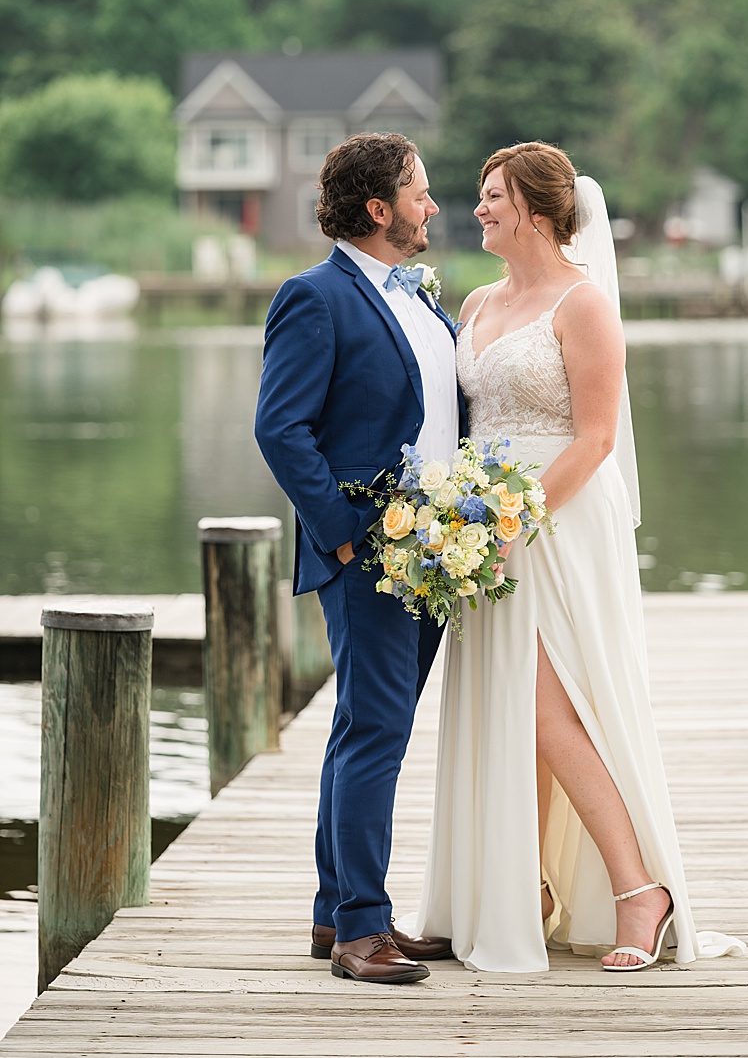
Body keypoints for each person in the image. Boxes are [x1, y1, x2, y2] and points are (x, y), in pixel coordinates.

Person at [411, 141, 743, 972]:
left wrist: (517, 519)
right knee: (506, 706)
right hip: (481, 526)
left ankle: (641, 889)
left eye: (493, 195)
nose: (478, 207)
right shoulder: (479, 301)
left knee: (549, 709)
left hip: (556, 522)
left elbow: (596, 437)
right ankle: (527, 888)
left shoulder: (585, 304)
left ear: (538, 207)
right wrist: (455, 516)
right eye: (480, 195)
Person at [254, 131, 459, 984]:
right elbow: (280, 426)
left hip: (439, 554)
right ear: (379, 208)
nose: (432, 205)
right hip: (369, 552)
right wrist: (341, 529)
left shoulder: (415, 295)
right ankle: (362, 932)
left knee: (363, 728)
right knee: (376, 730)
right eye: (419, 191)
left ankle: (334, 910)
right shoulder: (316, 296)